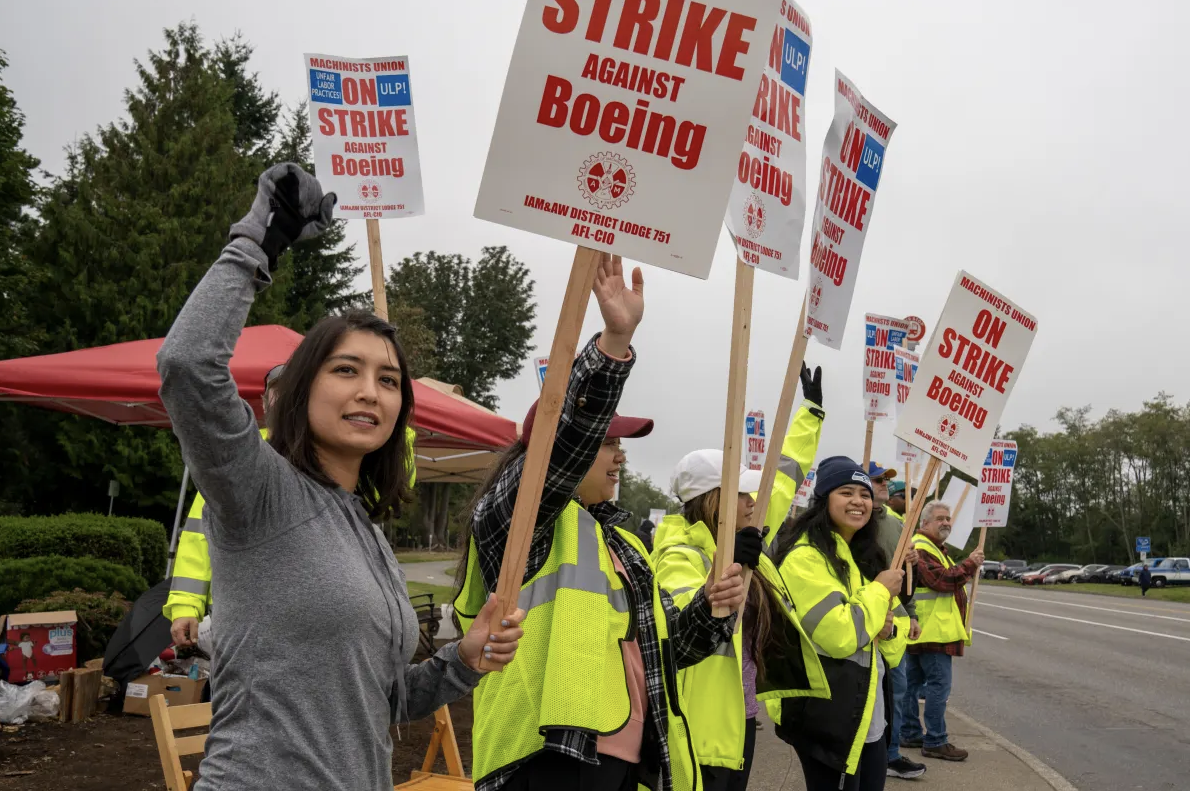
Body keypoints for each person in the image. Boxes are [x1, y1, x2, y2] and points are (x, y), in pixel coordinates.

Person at [156, 164, 524, 791]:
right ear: (302, 387)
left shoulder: (367, 529)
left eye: (387, 380)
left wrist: (462, 660)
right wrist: (257, 241)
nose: (370, 392)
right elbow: (187, 366)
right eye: (346, 370)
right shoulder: (261, 491)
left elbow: (377, 703)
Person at [456, 251, 747, 791]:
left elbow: (666, 653)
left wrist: (711, 607)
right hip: (544, 756)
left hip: (620, 759)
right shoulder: (521, 518)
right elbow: (562, 449)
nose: (619, 456)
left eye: (620, 444)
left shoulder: (623, 543)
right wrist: (613, 346)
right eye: (607, 442)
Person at [654, 366, 830, 791]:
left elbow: (784, 475)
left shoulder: (744, 532)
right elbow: (682, 621)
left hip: (742, 716)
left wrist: (811, 413)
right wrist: (727, 565)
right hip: (699, 729)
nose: (755, 501)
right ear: (715, 501)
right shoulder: (679, 554)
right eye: (742, 493)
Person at [166, 365, 420, 647]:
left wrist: (395, 428)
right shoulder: (243, 453)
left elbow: (390, 484)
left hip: (325, 613)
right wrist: (185, 604)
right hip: (248, 614)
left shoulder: (329, 450)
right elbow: (199, 532)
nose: (282, 400)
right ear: (264, 402)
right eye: (275, 393)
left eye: (291, 392)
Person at [771, 456, 913, 791]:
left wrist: (887, 628)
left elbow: (893, 642)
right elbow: (838, 635)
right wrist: (879, 593)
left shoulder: (867, 557)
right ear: (823, 500)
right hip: (827, 716)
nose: (858, 501)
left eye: (864, 494)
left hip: (868, 714)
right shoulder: (805, 557)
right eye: (845, 492)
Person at [900, 501, 984, 762]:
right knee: (938, 686)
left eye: (948, 518)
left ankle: (911, 732)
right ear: (925, 523)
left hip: (922, 629)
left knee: (911, 684)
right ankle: (935, 740)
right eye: (940, 518)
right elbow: (944, 580)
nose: (947, 522)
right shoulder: (922, 547)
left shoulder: (932, 548)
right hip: (932, 630)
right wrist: (970, 564)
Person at [865, 461, 925, 781]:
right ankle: (862, 753)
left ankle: (890, 753)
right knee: (866, 691)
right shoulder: (853, 523)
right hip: (864, 620)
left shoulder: (898, 524)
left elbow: (906, 575)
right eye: (876, 480)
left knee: (896, 690)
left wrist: (911, 613)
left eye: (885, 480)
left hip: (894, 623)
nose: (884, 484)